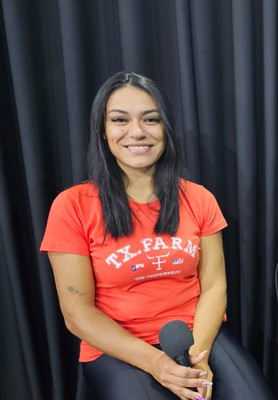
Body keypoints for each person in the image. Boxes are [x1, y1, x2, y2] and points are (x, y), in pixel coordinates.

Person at [40, 72, 227, 400]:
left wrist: (198, 355)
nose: (137, 132)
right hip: (116, 349)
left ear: (165, 127)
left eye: (151, 119)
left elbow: (214, 286)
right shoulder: (72, 206)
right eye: (119, 120)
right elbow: (77, 313)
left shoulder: (198, 198)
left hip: (197, 337)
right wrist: (158, 364)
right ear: (103, 130)